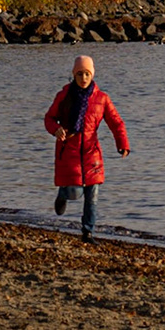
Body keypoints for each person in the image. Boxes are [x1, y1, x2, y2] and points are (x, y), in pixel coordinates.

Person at [42, 55, 131, 243]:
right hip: (69, 151)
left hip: (92, 153)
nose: (84, 78)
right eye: (80, 74)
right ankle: (63, 194)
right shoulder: (64, 95)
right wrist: (56, 129)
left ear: (92, 75)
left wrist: (122, 144)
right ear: (74, 75)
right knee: (75, 193)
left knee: (92, 197)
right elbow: (49, 118)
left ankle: (87, 232)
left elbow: (116, 122)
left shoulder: (102, 98)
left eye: (87, 74)